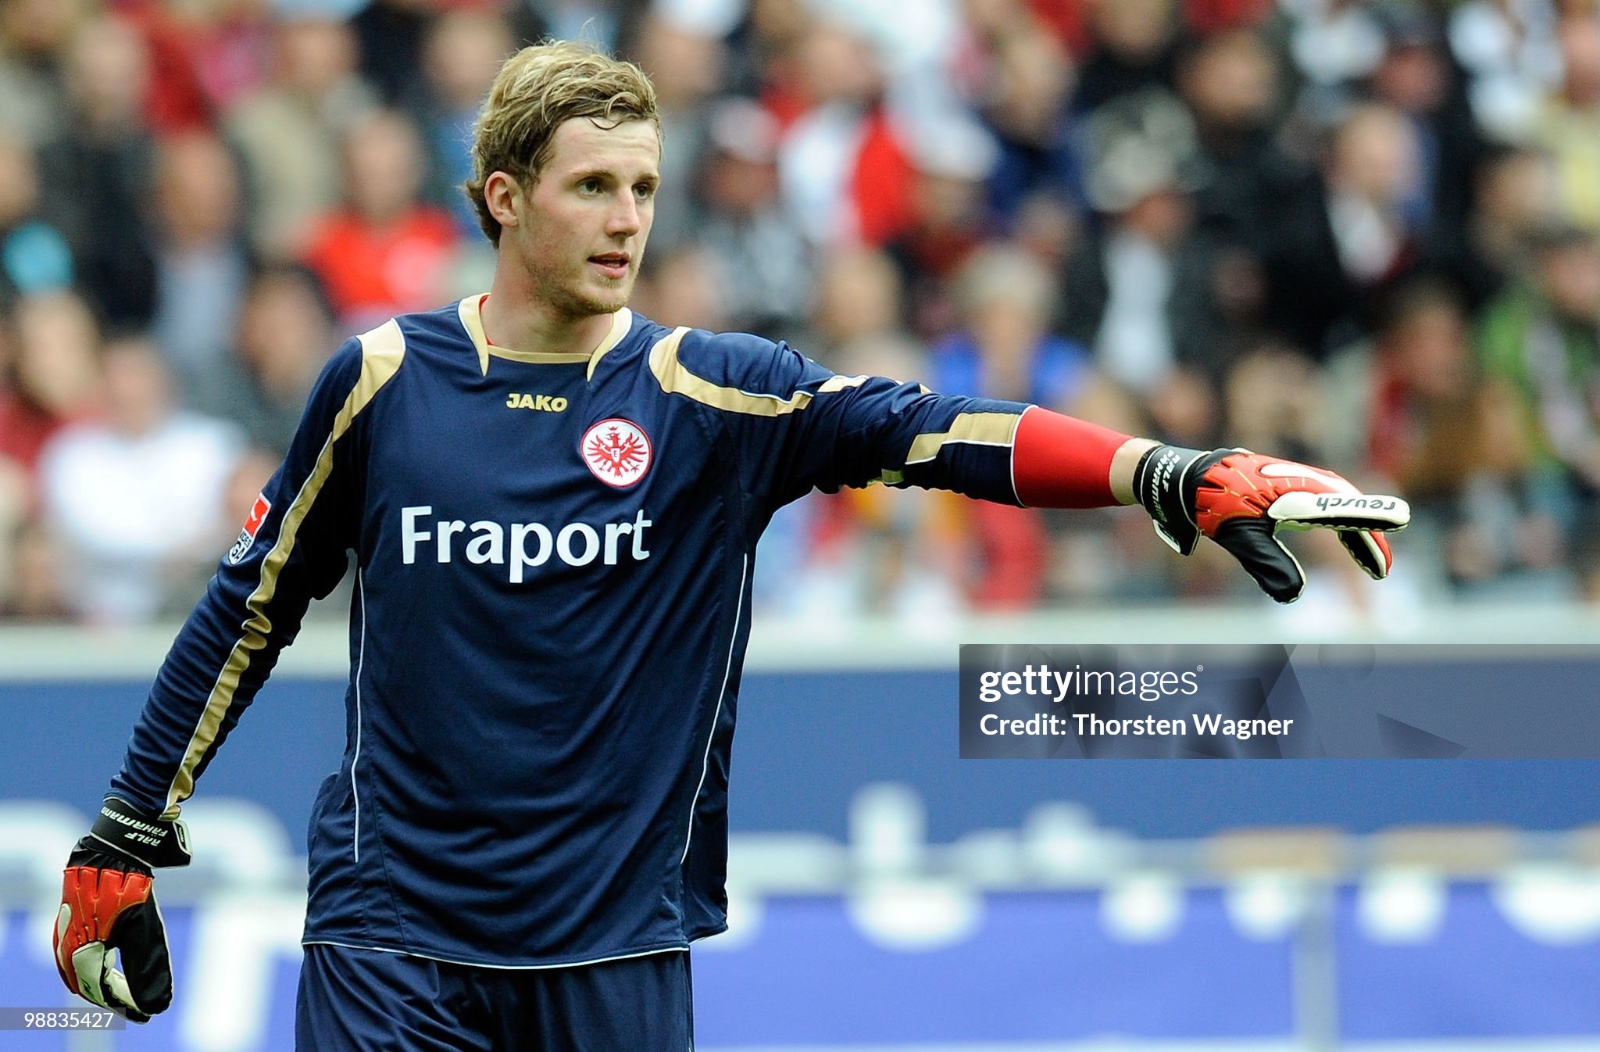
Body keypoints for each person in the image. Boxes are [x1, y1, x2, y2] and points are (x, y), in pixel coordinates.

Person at [51, 40, 1409, 1050]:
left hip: (612, 949)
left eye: (643, 185)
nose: (629, 218)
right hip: (389, 938)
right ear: (502, 198)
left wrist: (1164, 470)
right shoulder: (382, 380)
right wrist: (125, 830)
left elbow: (936, 433)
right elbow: (250, 608)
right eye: (592, 187)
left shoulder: (716, 393)